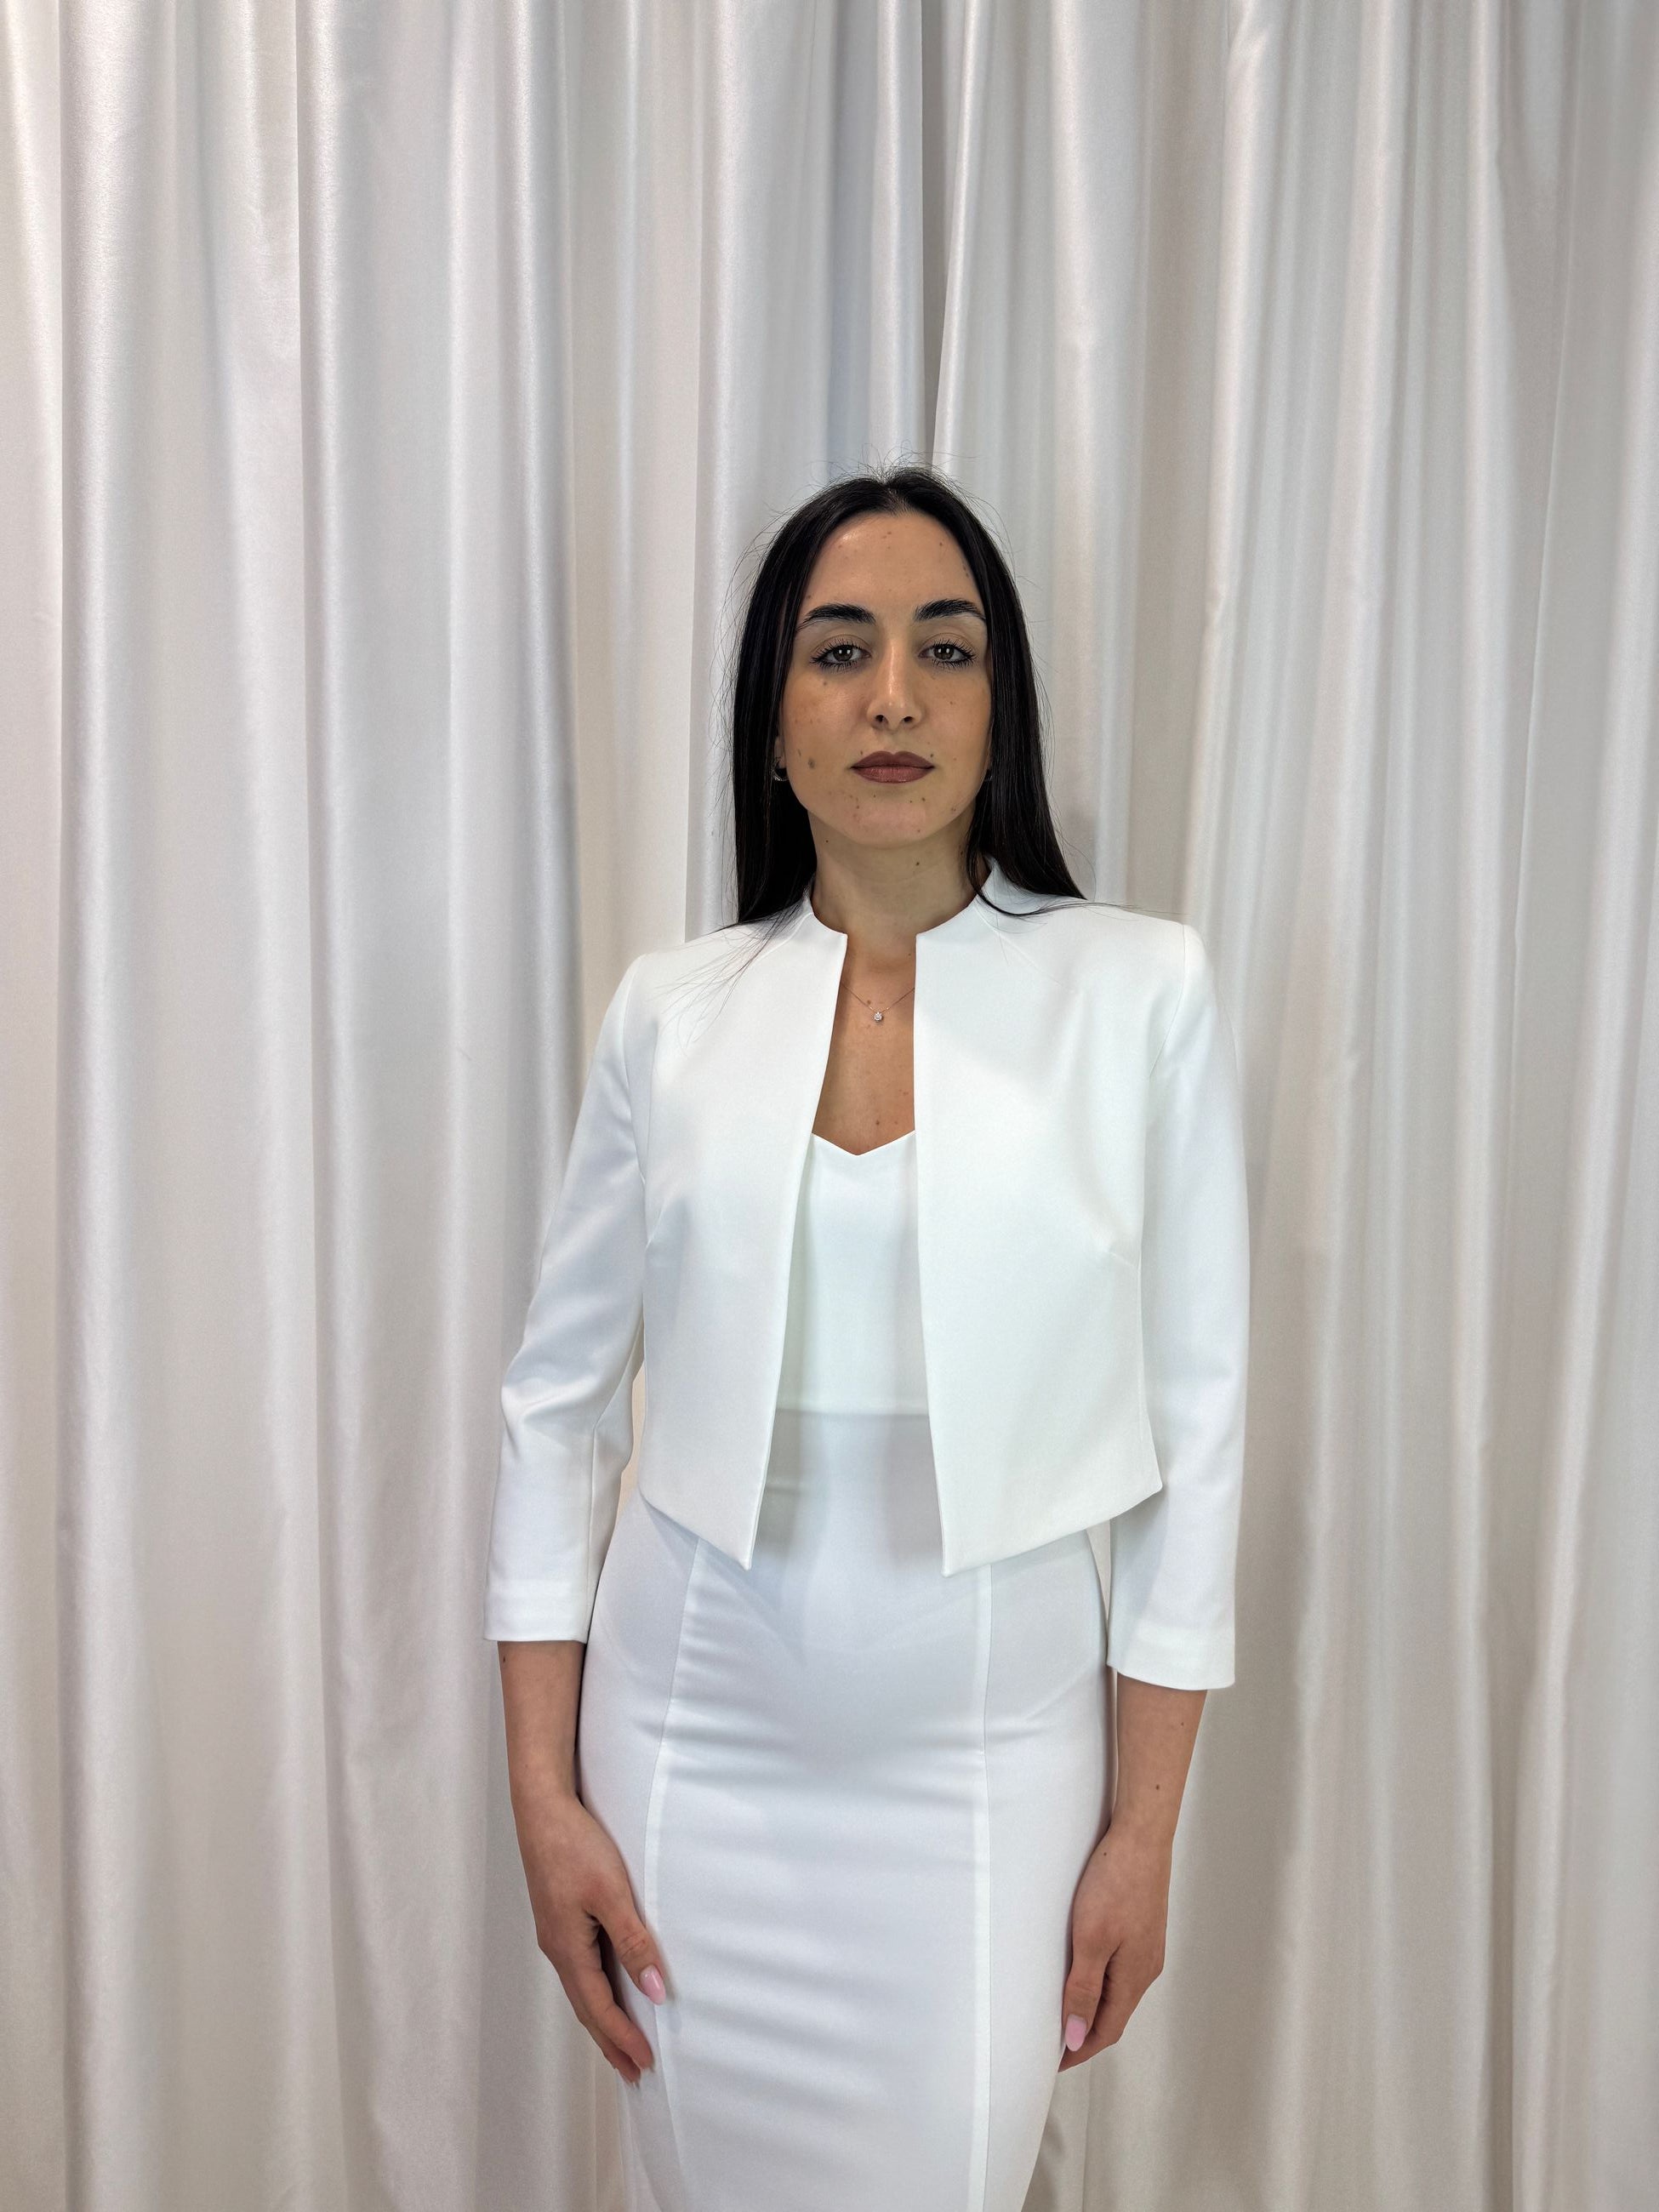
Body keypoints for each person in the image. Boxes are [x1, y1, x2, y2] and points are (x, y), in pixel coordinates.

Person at [482, 464, 1251, 2209]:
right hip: (686, 1757)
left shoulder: (1140, 993)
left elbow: (1197, 1434)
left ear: (999, 707)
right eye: (838, 649)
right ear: (773, 720)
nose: (892, 693)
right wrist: (543, 1798)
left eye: (943, 648)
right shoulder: (670, 1013)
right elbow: (555, 1408)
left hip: (987, 1770)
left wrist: (1145, 1833)